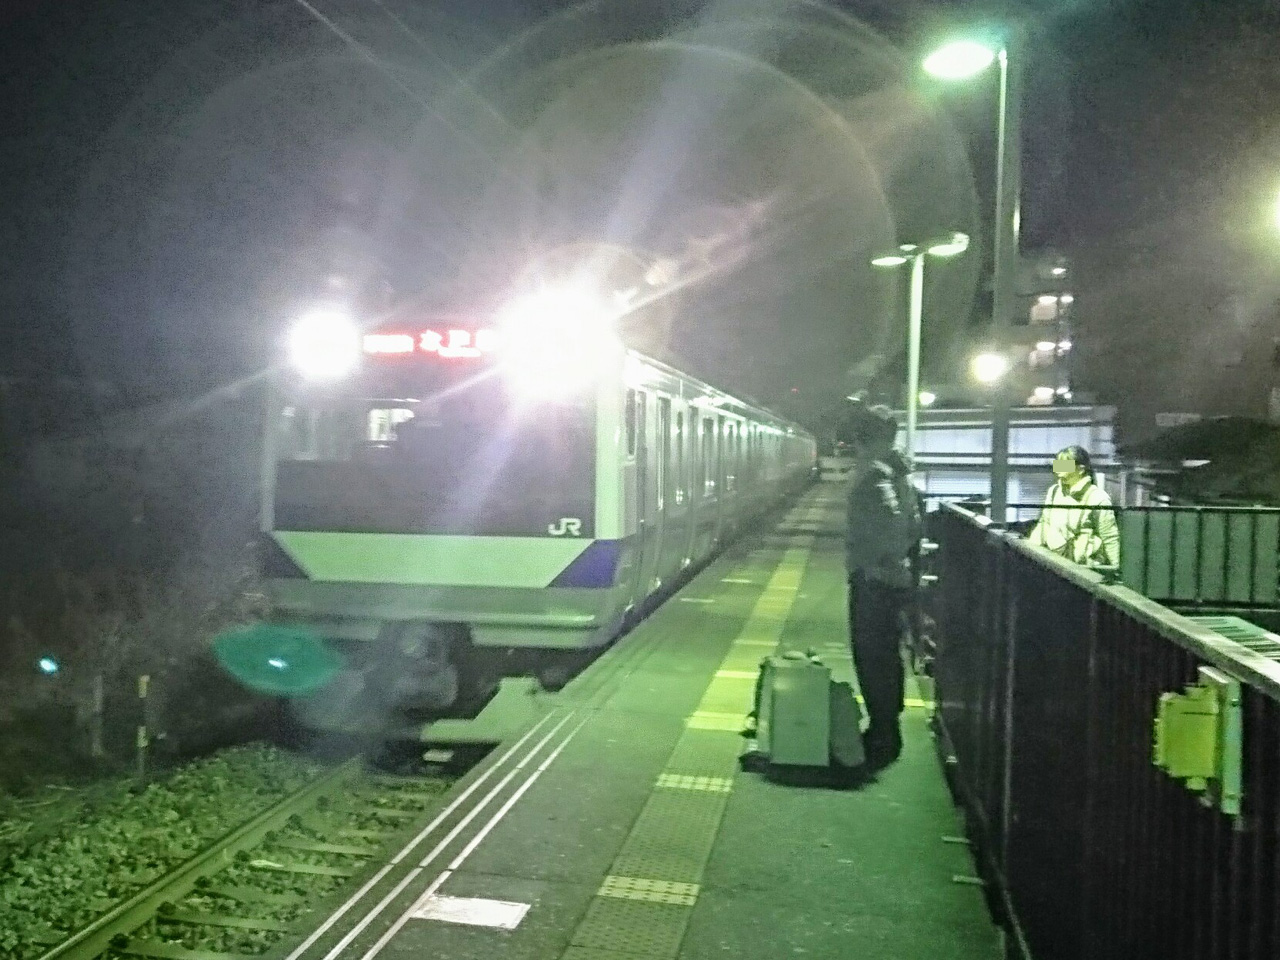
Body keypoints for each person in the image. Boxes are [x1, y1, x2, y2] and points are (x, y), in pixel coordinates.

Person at [845, 405, 920, 769]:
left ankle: (883, 733)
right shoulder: (899, 474)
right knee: (887, 658)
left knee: (873, 658)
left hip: (875, 582)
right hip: (892, 580)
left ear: (866, 440)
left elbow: (892, 527)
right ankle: (885, 728)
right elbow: (914, 525)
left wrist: (875, 561)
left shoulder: (876, 478)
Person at [1026, 445, 1120, 568]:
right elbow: (1044, 524)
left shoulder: (1098, 498)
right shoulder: (1054, 492)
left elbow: (1109, 537)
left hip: (1083, 569)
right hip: (1054, 564)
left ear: (1081, 469)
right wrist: (1029, 552)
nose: (1058, 469)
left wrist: (1115, 568)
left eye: (1065, 465)